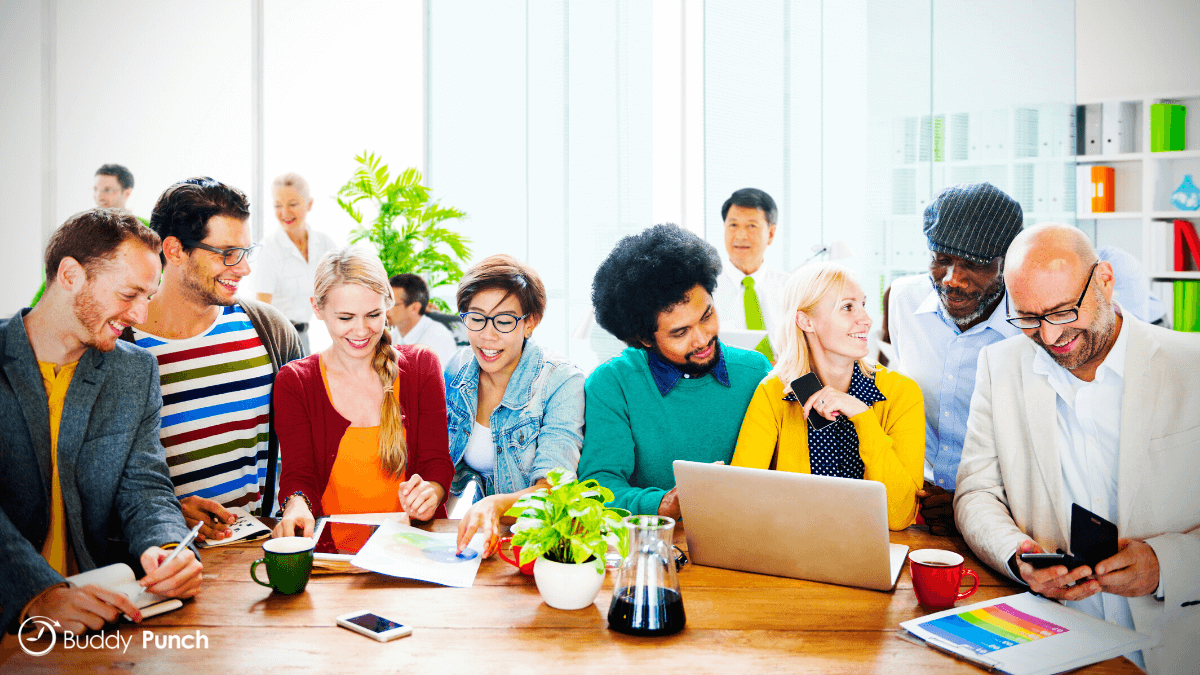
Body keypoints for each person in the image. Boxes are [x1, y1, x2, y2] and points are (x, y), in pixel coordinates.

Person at [955, 223, 1200, 674]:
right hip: (1054, 640)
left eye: (1063, 312)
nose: (1049, 338)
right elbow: (976, 492)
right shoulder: (1000, 366)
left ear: (1105, 280)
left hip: (1179, 643)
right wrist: (1017, 554)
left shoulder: (1193, 366)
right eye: (1028, 319)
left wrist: (1167, 563)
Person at [1, 209, 203, 635]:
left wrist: (167, 547)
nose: (141, 316)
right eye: (130, 294)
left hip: (100, 617)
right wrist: (36, 593)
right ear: (71, 275)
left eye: (148, 296)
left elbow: (145, 486)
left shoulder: (135, 371)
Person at [123, 177, 303, 542]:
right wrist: (169, 515)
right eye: (227, 253)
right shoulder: (122, 347)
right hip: (169, 562)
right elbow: (94, 483)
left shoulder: (269, 330)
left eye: (245, 252)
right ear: (174, 251)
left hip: (262, 554)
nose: (243, 268)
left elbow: (306, 442)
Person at [576, 224, 771, 516]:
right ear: (644, 338)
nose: (703, 339)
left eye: (707, 316)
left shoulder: (756, 371)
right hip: (653, 544)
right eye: (680, 333)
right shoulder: (612, 384)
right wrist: (664, 503)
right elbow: (597, 488)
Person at [271, 247, 453, 537]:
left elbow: (437, 463)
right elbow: (299, 474)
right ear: (317, 309)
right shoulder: (296, 382)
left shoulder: (421, 367)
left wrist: (431, 492)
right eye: (345, 317)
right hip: (333, 559)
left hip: (414, 551)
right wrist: (296, 506)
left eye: (373, 314)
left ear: (388, 306)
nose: (361, 330)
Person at [731, 263, 924, 530]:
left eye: (863, 304)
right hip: (795, 543)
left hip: (874, 548)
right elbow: (741, 497)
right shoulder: (774, 392)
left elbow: (899, 516)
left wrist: (864, 418)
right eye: (847, 307)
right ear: (805, 321)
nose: (866, 319)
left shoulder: (901, 393)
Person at [886, 182, 1023, 535]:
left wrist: (971, 501)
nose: (952, 280)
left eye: (973, 264)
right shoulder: (903, 300)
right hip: (912, 508)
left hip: (1002, 517)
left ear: (1006, 263)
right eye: (941, 260)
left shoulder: (1034, 326)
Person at [446, 256, 585, 555]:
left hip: (541, 547)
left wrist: (495, 504)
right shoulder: (457, 371)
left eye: (505, 321)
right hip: (483, 543)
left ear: (530, 322)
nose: (487, 335)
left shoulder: (560, 381)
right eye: (476, 317)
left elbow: (555, 492)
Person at [255, 173, 339, 355]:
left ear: (309, 204)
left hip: (303, 335)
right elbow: (261, 311)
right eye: (278, 205)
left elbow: (341, 289)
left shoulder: (324, 244)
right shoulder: (269, 249)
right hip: (276, 337)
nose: (284, 213)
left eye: (292, 204)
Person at [711, 188, 788, 362]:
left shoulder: (791, 288)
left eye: (751, 226)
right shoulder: (704, 289)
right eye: (733, 225)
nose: (740, 235)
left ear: (770, 233)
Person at [387, 273, 459, 368]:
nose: (384, 309)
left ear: (415, 308)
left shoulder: (438, 339)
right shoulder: (395, 334)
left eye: (391, 304)